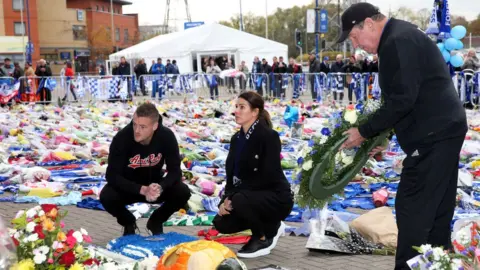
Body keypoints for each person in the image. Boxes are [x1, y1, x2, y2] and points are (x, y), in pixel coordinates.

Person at [337, 3, 467, 269]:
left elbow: (401, 100)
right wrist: (382, 138)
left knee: (413, 210)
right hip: (442, 130)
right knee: (437, 209)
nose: (356, 46)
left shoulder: (396, 41)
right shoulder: (400, 35)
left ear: (369, 24)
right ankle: (440, 261)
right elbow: (408, 96)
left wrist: (363, 132)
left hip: (433, 134)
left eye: (353, 37)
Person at [213, 91, 293, 259]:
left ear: (255, 112)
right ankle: (272, 225)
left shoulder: (268, 136)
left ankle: (263, 237)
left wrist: (235, 196)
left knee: (240, 200)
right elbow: (231, 175)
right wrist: (225, 200)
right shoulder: (236, 139)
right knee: (221, 222)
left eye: (242, 107)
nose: (236, 111)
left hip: (275, 196)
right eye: (236, 107)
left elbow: (268, 176)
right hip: (248, 195)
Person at [100, 103, 191, 236]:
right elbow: (112, 175)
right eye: (135, 124)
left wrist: (161, 186)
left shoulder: (166, 136)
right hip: (129, 187)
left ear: (155, 126)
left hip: (154, 186)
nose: (137, 130)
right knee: (106, 196)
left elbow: (175, 171)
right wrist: (142, 189)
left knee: (183, 191)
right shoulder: (122, 138)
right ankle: (128, 222)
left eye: (143, 127)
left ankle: (156, 221)